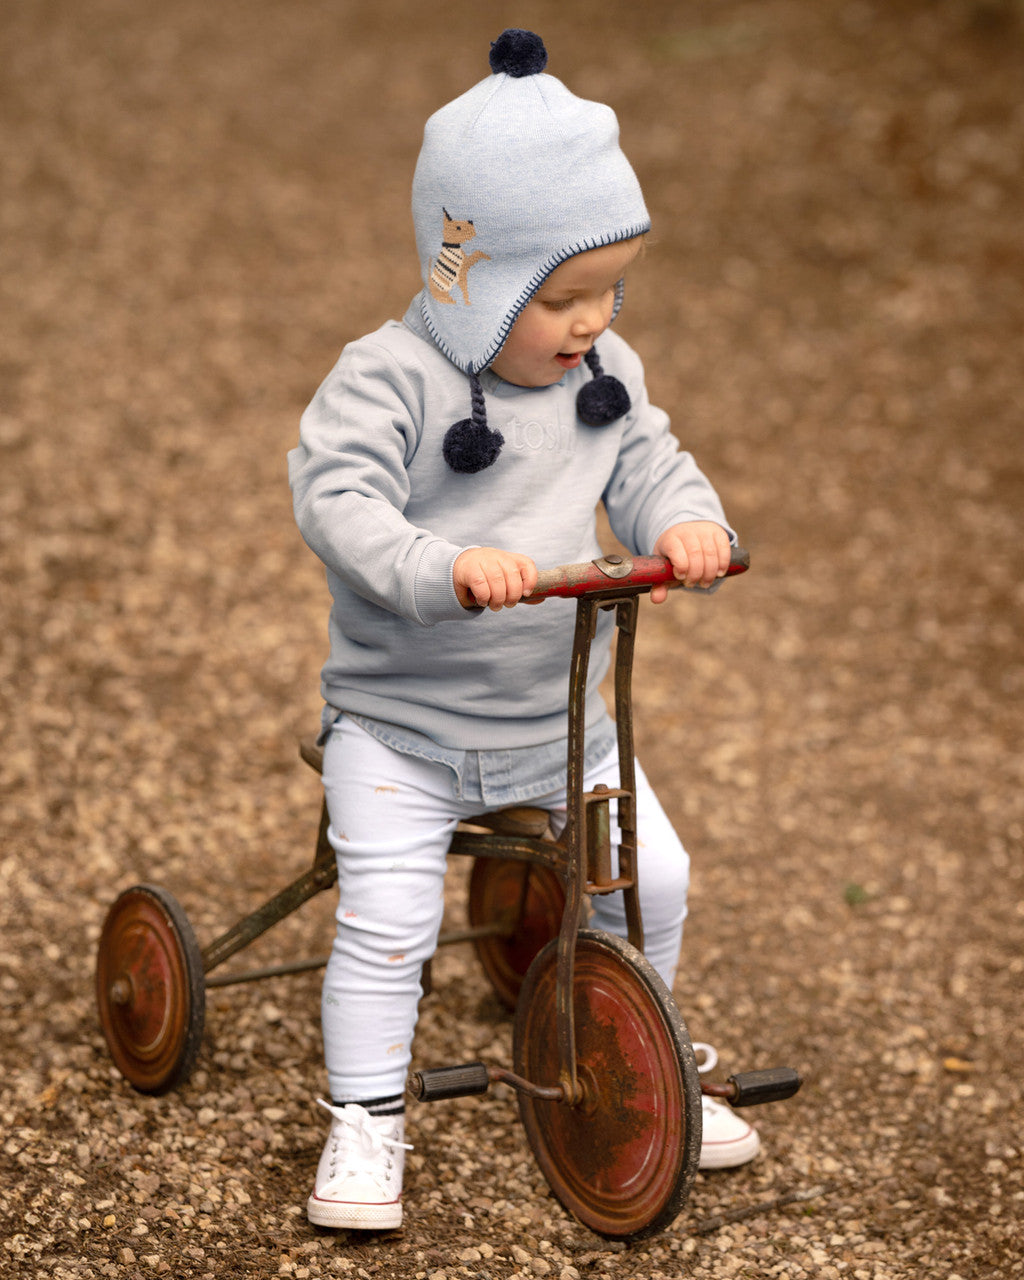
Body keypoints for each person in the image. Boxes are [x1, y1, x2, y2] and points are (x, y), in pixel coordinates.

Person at [288, 29, 759, 1232]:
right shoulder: (387, 377)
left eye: (610, 290)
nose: (590, 321)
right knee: (391, 915)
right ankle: (364, 1114)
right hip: (404, 725)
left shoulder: (605, 370)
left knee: (654, 871)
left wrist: (688, 523)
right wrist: (444, 566)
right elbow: (334, 500)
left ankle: (645, 1048)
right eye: (557, 296)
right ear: (469, 277)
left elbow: (651, 462)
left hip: (560, 727)